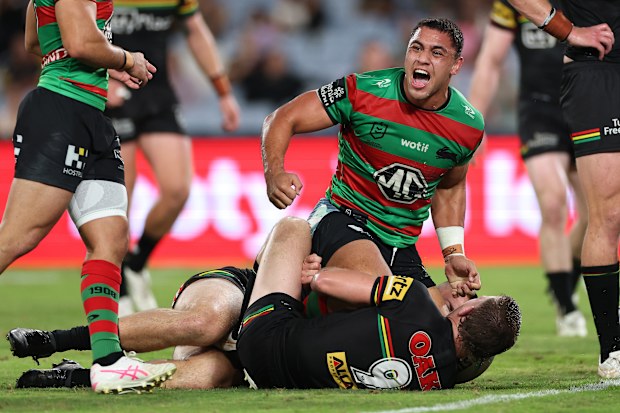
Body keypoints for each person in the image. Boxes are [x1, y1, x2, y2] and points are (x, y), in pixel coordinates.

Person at [8, 218, 510, 390]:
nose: (453, 298)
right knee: (205, 322)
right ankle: (53, 340)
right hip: (243, 289)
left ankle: (77, 374)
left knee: (207, 377)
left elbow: (344, 283)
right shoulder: (434, 356)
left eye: (460, 300)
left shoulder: (404, 300)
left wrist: (316, 277)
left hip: (265, 343)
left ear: (460, 313)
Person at [1, 0, 177, 394]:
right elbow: (80, 41)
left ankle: (108, 360)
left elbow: (36, 40)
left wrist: (100, 57)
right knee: (15, 238)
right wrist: (125, 58)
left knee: (111, 239)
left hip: (90, 116)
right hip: (62, 111)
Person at [262, 18, 483, 305]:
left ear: (456, 66)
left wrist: (454, 254)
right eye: (416, 48)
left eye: (436, 53)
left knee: (461, 321)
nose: (423, 59)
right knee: (395, 301)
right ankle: (309, 300)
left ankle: (321, 298)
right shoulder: (362, 92)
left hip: (400, 245)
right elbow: (282, 118)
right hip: (343, 220)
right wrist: (274, 171)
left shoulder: (467, 125)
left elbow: (449, 187)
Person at [236, 217, 521, 390]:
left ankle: (250, 282)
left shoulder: (415, 298)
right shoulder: (440, 381)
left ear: (468, 310)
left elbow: (325, 283)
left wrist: (316, 272)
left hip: (266, 338)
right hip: (283, 380)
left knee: (293, 227)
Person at [506, 0, 619, 378]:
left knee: (594, 214)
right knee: (600, 213)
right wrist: (569, 32)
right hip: (595, 73)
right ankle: (610, 347)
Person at [107, 0, 241, 315]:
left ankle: (136, 264)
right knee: (120, 195)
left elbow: (195, 30)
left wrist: (223, 91)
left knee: (178, 189)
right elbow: (76, 32)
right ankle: (120, 291)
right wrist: (98, 79)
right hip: (111, 92)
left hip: (157, 95)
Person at [469, 0, 588, 337]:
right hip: (539, 111)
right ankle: (567, 307)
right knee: (552, 204)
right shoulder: (515, 4)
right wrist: (474, 122)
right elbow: (491, 61)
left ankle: (565, 279)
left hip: (584, 107)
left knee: (596, 217)